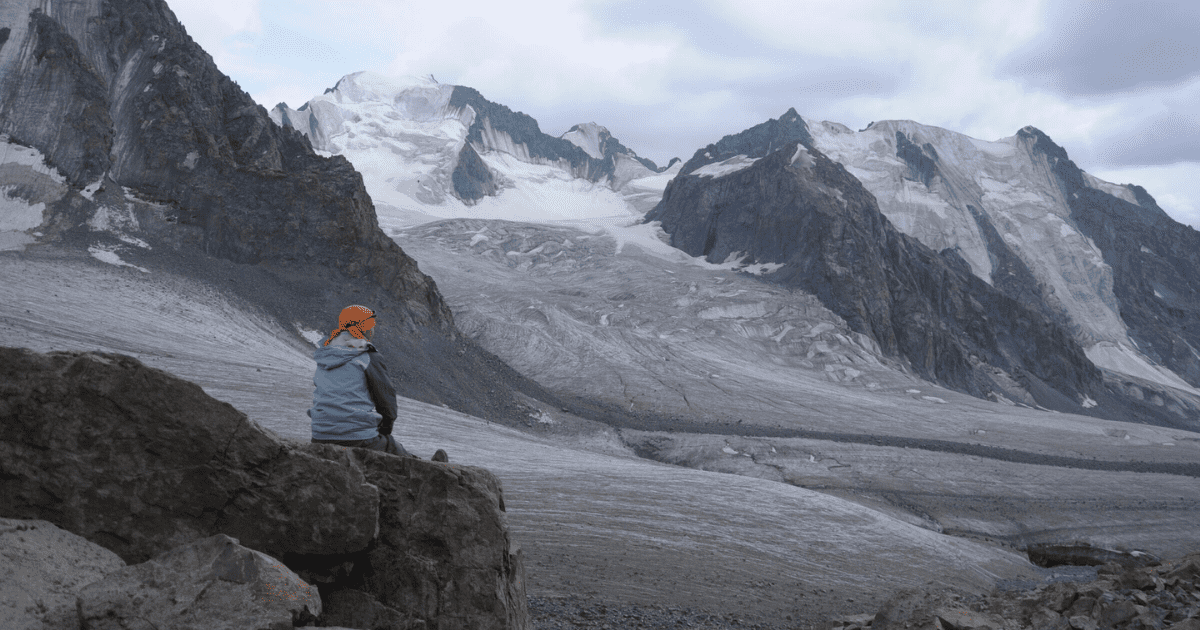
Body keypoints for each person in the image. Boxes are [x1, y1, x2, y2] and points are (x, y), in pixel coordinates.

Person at [308, 305, 411, 456]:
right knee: (395, 450)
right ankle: (436, 465)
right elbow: (386, 402)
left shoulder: (325, 354)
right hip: (356, 438)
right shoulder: (368, 356)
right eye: (370, 324)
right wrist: (384, 431)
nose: (373, 329)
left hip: (319, 436)